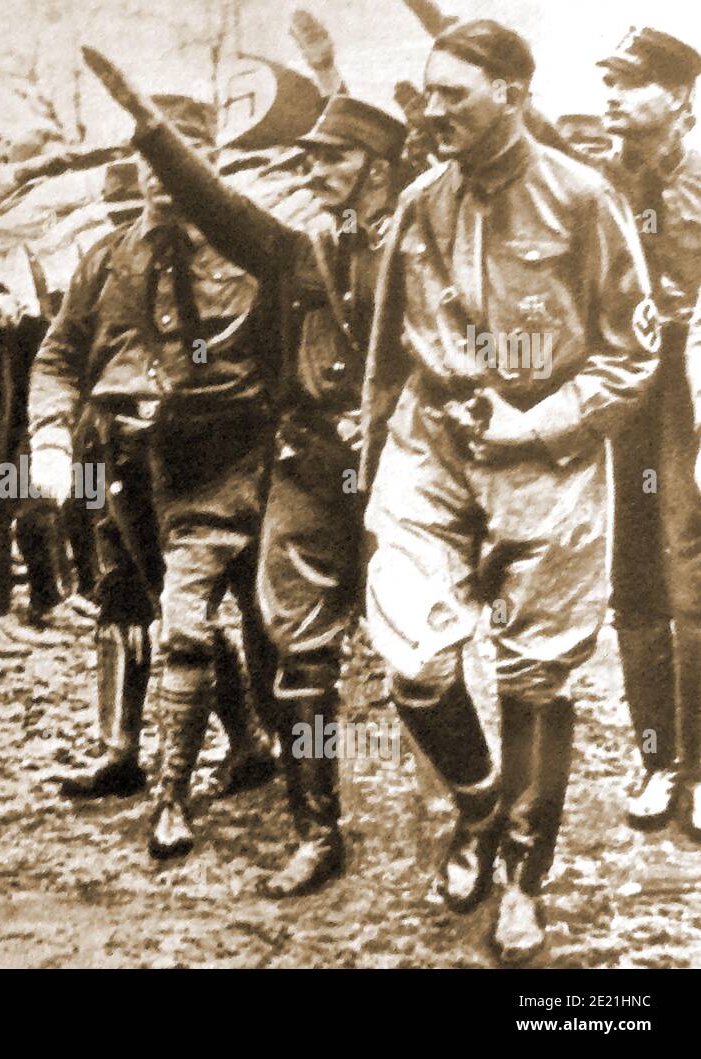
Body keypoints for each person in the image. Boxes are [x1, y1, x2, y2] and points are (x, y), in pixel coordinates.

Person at [358, 20, 658, 963]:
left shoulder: (584, 198)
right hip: (433, 443)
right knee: (413, 657)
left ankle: (525, 874)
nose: (434, 109)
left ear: (512, 93)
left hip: (549, 454)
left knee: (536, 675)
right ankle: (478, 800)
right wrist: (369, 463)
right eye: (429, 90)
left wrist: (534, 424)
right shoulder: (418, 202)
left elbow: (631, 351)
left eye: (455, 94)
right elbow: (382, 353)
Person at [101, 75, 408, 894]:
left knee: (422, 650)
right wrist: (152, 129)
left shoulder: (424, 241)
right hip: (309, 462)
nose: (312, 170)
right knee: (298, 646)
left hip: (405, 462)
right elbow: (221, 208)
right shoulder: (298, 247)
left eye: (331, 157)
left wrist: (386, 417)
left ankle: (482, 815)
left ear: (377, 167)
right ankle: (319, 828)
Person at [29, 90, 279, 859]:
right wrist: (48, 438)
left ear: (212, 164)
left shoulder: (252, 250)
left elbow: (286, 358)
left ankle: (175, 794)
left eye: (178, 166)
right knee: (160, 608)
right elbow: (58, 355)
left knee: (209, 615)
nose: (161, 183)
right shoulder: (105, 258)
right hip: (128, 463)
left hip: (222, 458)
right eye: (148, 166)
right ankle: (245, 746)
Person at [583, 28, 701, 837]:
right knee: (633, 583)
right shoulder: (599, 181)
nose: (614, 96)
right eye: (610, 82)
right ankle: (658, 755)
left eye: (632, 83)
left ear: (681, 98)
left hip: (694, 391)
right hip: (628, 396)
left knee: (692, 577)